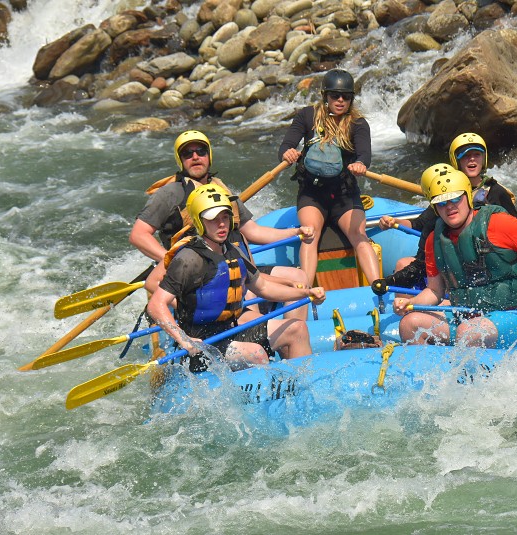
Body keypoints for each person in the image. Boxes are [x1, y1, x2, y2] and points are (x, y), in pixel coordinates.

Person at [130, 130, 314, 320]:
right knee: (247, 290)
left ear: (209, 156)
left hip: (234, 263)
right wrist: (171, 260)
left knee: (298, 277)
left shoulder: (221, 191)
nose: (195, 157)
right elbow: (138, 235)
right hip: (200, 274)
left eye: (201, 151)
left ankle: (295, 331)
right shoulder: (169, 194)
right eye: (187, 153)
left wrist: (296, 232)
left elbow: (253, 231)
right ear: (180, 159)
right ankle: (254, 331)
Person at [147, 183, 326, 370]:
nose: (221, 224)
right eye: (213, 219)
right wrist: (183, 339)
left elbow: (264, 287)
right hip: (203, 343)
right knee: (256, 354)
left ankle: (302, 383)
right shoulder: (188, 259)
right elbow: (156, 305)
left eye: (225, 217)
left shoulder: (233, 251)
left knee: (297, 329)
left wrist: (306, 294)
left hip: (231, 329)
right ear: (199, 222)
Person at [392, 165, 517, 348]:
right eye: (441, 203)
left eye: (456, 198)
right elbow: (434, 291)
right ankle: (431, 366)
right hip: (465, 315)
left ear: (468, 197)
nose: (450, 207)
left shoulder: (497, 223)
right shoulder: (434, 240)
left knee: (468, 332)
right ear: (435, 208)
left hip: (514, 315)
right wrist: (411, 303)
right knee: (410, 324)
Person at [373, 132, 517, 292]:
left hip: (488, 259)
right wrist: (394, 222)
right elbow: (421, 223)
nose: (472, 160)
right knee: (404, 263)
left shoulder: (495, 193)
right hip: (456, 259)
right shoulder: (443, 194)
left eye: (477, 154)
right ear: (456, 161)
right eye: (465, 156)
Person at [278, 68, 380, 287]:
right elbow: (286, 145)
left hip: (345, 193)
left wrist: (361, 164)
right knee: (310, 234)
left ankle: (378, 287)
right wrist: (288, 153)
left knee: (359, 235)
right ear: (325, 96)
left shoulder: (358, 124)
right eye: (335, 95)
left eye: (346, 96)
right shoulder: (307, 116)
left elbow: (364, 155)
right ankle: (305, 292)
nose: (340, 100)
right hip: (312, 193)